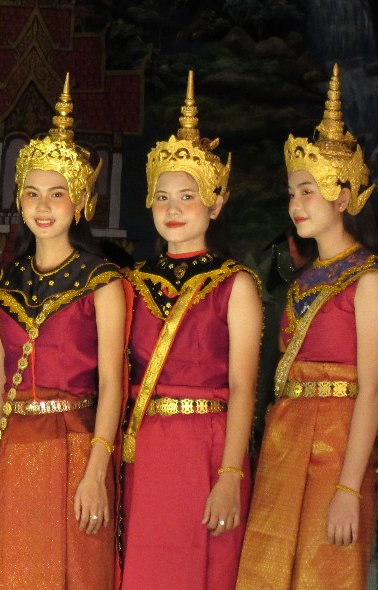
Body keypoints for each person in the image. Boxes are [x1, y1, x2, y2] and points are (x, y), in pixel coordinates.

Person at [0, 74, 129, 590]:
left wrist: (96, 470)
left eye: (57, 195)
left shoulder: (102, 282)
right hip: (15, 452)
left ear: (80, 202)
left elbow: (112, 384)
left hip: (78, 448)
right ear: (19, 201)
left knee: (78, 576)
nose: (43, 207)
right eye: (33, 194)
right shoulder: (3, 288)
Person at [236, 64, 378, 590]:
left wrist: (349, 487)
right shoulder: (303, 281)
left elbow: (372, 392)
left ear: (342, 196)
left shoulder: (368, 279)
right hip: (285, 438)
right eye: (292, 193)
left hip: (337, 448)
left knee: (325, 575)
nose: (295, 205)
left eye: (307, 192)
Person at [120, 71, 262, 590]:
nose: (173, 208)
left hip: (207, 447)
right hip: (144, 448)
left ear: (216, 203)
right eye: (162, 197)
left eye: (188, 195)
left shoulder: (234, 284)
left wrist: (230, 475)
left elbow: (243, 387)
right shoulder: (131, 282)